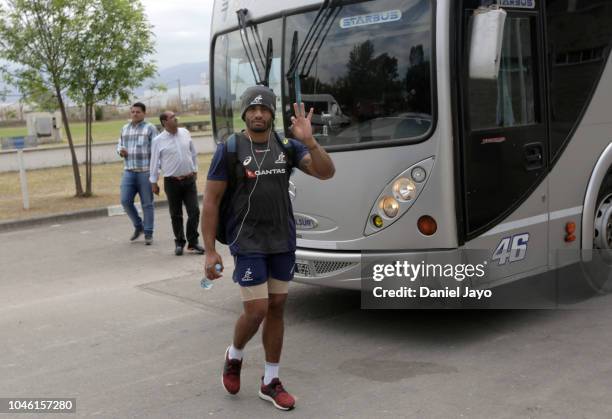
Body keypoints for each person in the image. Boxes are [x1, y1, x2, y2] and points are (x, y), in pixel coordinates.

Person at [202, 85, 335, 410]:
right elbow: (211, 200)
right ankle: (235, 355)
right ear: (244, 113)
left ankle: (270, 381)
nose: (258, 114)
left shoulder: (287, 146)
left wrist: (310, 141)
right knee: (257, 310)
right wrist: (209, 250)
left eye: (264, 109)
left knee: (276, 307)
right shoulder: (230, 148)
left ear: (272, 113)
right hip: (247, 241)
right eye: (252, 109)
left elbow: (325, 172)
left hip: (282, 241)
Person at [150, 111, 205, 255]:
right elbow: (154, 163)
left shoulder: (185, 132)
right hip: (171, 182)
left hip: (188, 180)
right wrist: (153, 182)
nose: (176, 119)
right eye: (173, 118)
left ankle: (193, 242)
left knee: (194, 211)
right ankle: (179, 242)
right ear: (164, 122)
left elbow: (193, 153)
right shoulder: (158, 140)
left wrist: (195, 169)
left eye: (176, 116)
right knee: (176, 214)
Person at [117, 102, 158, 245]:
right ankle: (138, 226)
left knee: (147, 204)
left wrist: (155, 174)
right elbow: (119, 144)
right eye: (133, 112)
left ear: (144, 113)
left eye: (138, 112)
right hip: (129, 171)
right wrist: (120, 151)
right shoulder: (125, 128)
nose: (135, 114)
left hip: (145, 172)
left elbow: (156, 151)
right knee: (125, 201)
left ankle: (148, 233)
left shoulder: (150, 129)